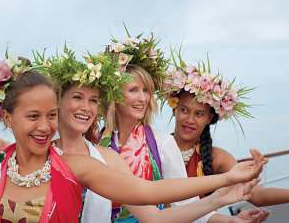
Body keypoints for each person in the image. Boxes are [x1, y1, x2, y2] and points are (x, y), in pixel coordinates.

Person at [0, 51, 265, 222]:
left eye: (48, 116)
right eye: (33, 116)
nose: (43, 125)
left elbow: (150, 194)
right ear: (9, 118)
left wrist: (223, 185)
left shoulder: (80, 166)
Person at [99, 33, 269, 223]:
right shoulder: (97, 142)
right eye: (134, 90)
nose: (143, 98)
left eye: (146, 90)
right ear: (115, 95)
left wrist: (228, 220)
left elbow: (187, 205)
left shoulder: (162, 144)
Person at [163, 51, 289, 217]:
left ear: (209, 118)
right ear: (174, 108)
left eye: (199, 114)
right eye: (184, 110)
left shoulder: (217, 157)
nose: (190, 119)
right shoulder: (155, 147)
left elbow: (255, 194)